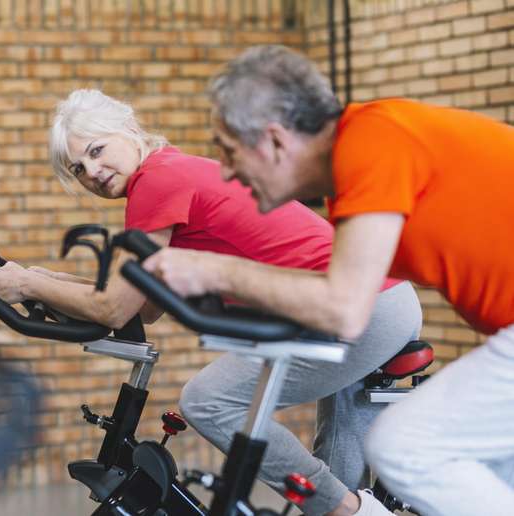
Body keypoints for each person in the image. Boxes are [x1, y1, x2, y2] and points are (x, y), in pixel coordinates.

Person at [0, 89, 422, 516]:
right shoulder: (171, 171)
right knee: (336, 462)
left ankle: (349, 510)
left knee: (209, 400)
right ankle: (350, 505)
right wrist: (44, 278)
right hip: (379, 298)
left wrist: (29, 286)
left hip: (359, 307)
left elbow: (114, 308)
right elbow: (144, 303)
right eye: (79, 168)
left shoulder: (155, 183)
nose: (93, 171)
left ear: (129, 129)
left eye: (97, 150)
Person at [141, 45, 514, 516]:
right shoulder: (357, 169)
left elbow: (343, 307)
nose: (228, 172)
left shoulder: (370, 145)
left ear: (274, 141)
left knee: (405, 447)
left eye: (230, 153)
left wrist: (215, 269)